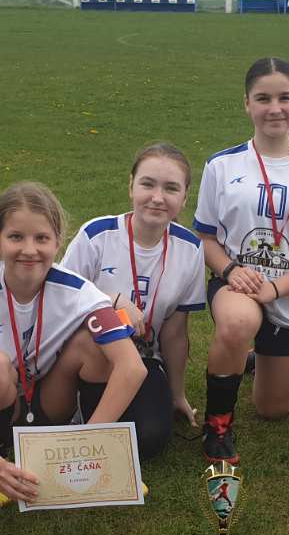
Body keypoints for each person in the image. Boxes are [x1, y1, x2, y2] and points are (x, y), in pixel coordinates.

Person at [0, 182, 146, 505]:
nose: (29, 250)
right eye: (16, 237)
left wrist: (89, 444)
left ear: (57, 242)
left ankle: (77, 444)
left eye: (41, 238)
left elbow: (132, 367)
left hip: (52, 400)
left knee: (95, 347)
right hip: (2, 403)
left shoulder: (80, 292)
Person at [193, 56, 289, 463]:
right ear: (247, 103)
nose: (274, 108)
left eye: (284, 98)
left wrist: (275, 288)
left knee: (273, 409)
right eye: (263, 98)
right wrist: (230, 270)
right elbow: (205, 239)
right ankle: (217, 423)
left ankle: (251, 358)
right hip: (236, 284)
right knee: (238, 322)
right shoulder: (222, 165)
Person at [60, 142, 207, 457]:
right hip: (92, 354)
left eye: (171, 188)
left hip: (144, 357)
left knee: (149, 439)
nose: (157, 197)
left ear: (185, 197)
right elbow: (61, 298)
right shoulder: (96, 235)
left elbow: (175, 332)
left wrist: (177, 394)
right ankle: (76, 410)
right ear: (131, 186)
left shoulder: (191, 248)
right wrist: (112, 299)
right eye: (147, 184)